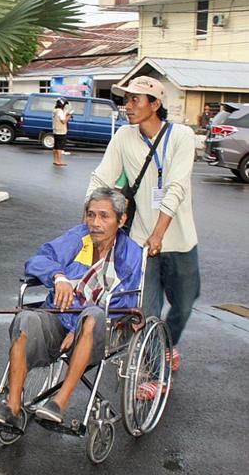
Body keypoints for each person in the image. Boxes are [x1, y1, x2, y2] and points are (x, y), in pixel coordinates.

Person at [0, 188, 144, 428]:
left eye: (104, 216)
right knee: (25, 319)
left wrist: (79, 327)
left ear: (121, 220)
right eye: (91, 215)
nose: (95, 223)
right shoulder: (79, 238)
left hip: (98, 328)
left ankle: (58, 403)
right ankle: (12, 407)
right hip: (60, 317)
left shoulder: (131, 254)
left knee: (92, 316)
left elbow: (125, 303)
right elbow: (38, 259)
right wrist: (58, 276)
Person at [87, 75, 198, 372]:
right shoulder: (124, 136)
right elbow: (102, 178)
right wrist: (90, 214)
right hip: (139, 241)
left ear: (155, 104)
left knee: (185, 304)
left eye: (136, 99)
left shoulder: (182, 136)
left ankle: (166, 345)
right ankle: (152, 369)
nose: (128, 105)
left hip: (179, 240)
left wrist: (159, 233)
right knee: (147, 311)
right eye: (127, 99)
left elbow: (175, 187)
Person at [52, 98, 71, 166]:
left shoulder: (55, 110)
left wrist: (65, 114)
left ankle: (55, 160)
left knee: (55, 147)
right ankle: (59, 162)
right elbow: (63, 121)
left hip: (55, 130)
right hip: (61, 131)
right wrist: (69, 116)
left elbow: (60, 118)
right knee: (59, 147)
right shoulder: (60, 111)